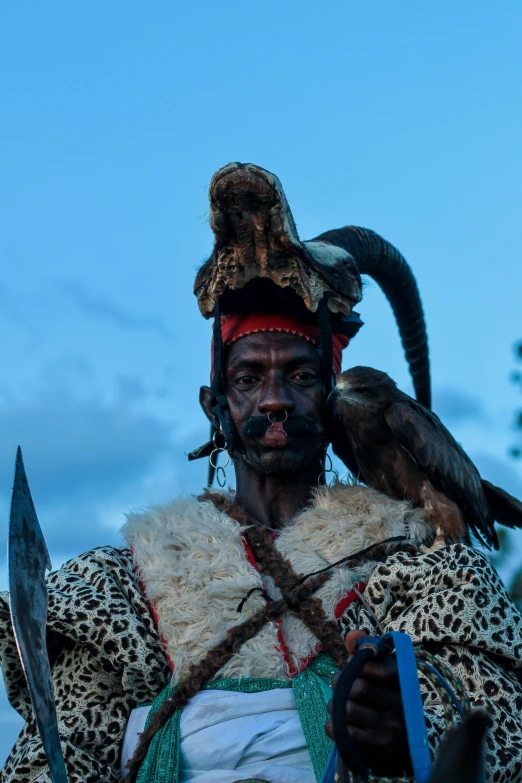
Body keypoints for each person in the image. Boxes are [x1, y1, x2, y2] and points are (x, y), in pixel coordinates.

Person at [1, 163, 522, 783]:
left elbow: (503, 730)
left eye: (301, 376)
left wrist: (410, 729)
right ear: (214, 405)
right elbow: (56, 753)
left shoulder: (420, 562)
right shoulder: (126, 588)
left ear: (335, 402)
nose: (274, 399)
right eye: (248, 378)